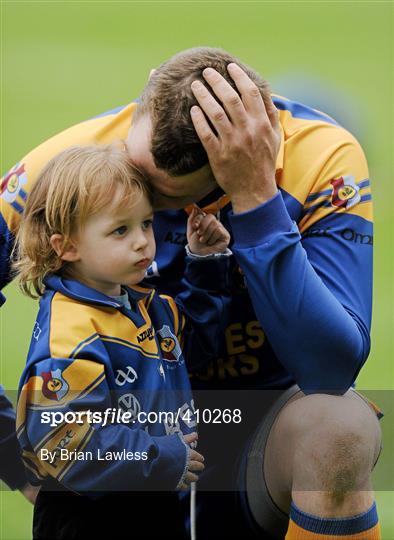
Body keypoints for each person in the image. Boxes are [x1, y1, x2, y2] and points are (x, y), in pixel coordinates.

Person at [0, 47, 382, 539]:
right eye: (134, 176)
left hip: (260, 439)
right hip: (123, 450)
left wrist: (257, 198)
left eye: (161, 204)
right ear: (148, 92)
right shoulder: (72, 170)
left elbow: (331, 369)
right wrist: (12, 454)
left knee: (340, 428)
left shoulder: (321, 158)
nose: (144, 232)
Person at [13, 143, 231, 539]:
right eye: (120, 230)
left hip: (151, 496)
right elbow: (66, 442)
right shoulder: (71, 332)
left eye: (146, 223)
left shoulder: (142, 303)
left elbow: (195, 347)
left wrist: (206, 263)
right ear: (66, 246)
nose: (142, 242)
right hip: (88, 516)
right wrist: (163, 457)